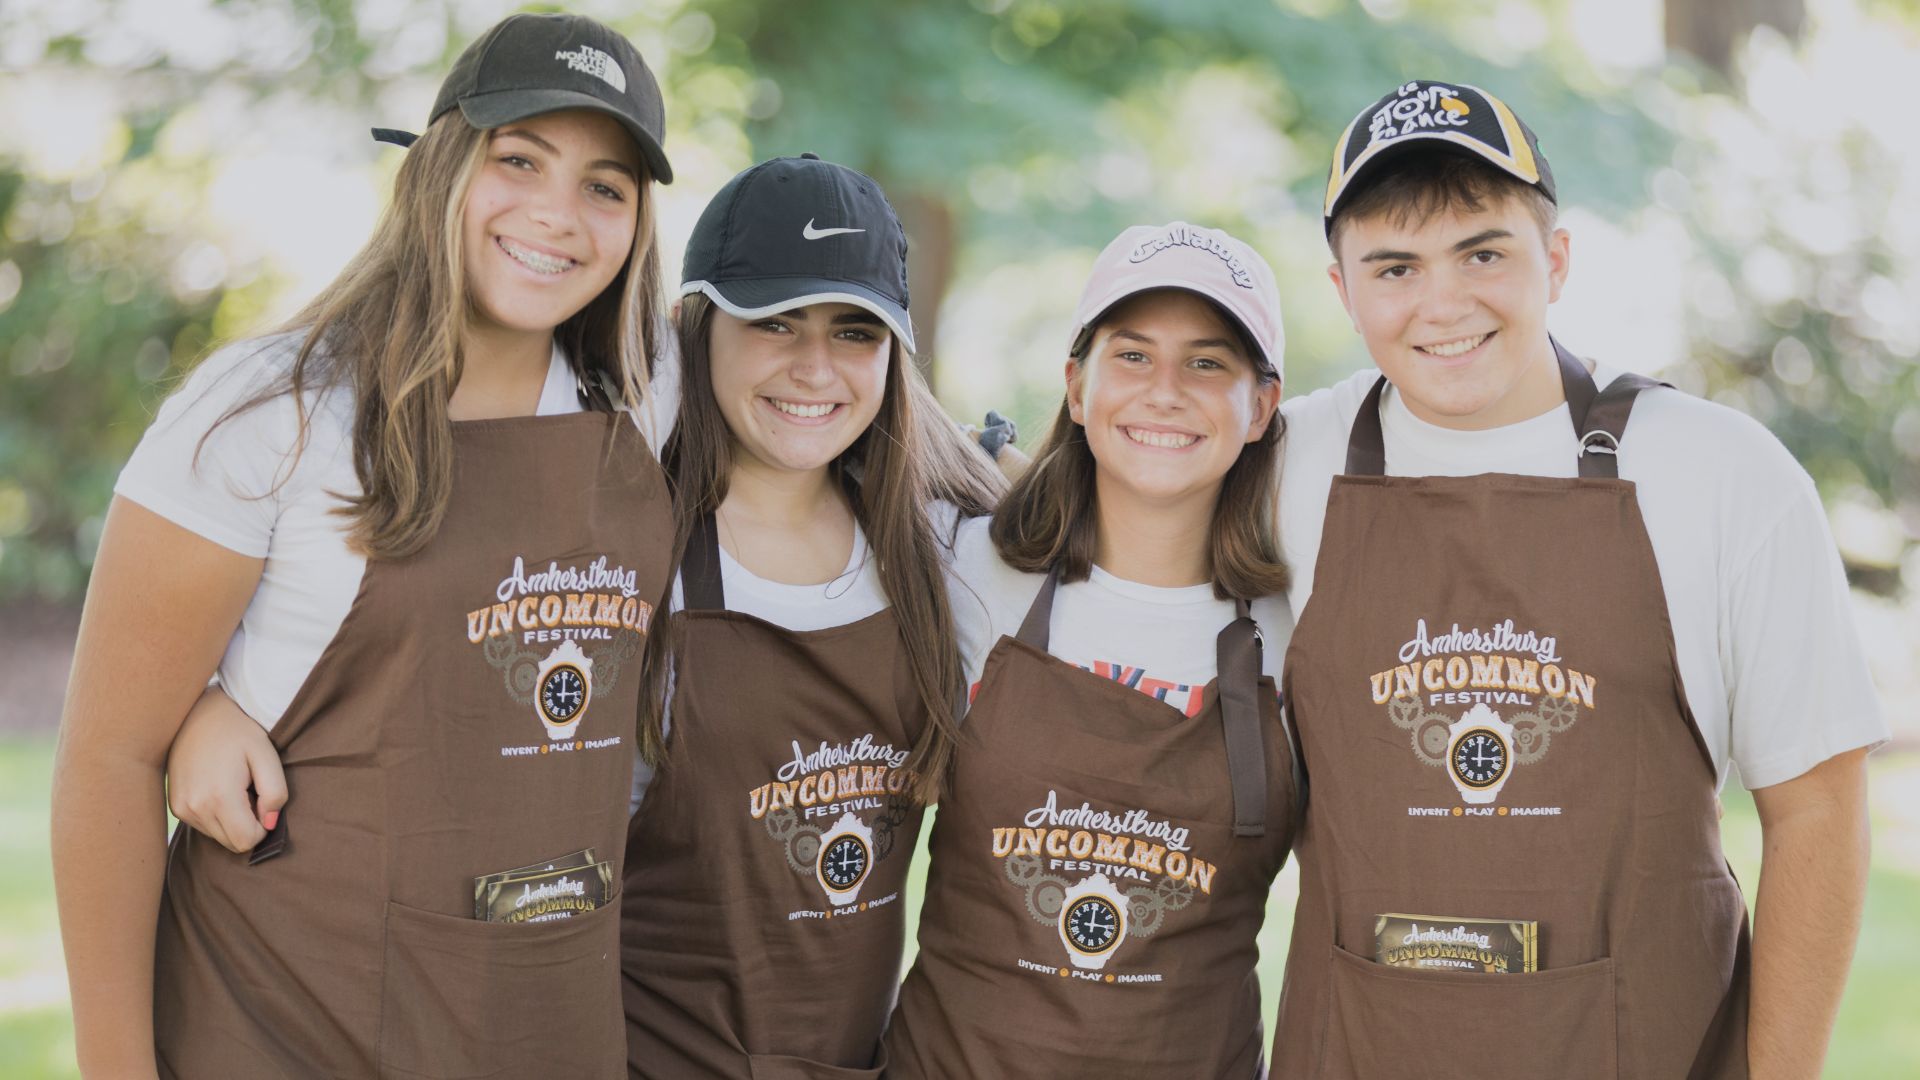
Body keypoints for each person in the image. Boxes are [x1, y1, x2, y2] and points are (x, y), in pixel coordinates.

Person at [50, 13, 679, 1076]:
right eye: (517, 158)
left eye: (604, 187)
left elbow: (849, 414)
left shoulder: (646, 410)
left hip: (545, 1030)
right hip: (285, 1021)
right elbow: (106, 758)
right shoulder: (272, 412)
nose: (556, 215)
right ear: (437, 169)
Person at [1269, 79, 1886, 1079]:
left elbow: (1819, 811)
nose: (1443, 303)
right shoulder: (1278, 466)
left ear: (1554, 259)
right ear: (1342, 288)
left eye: (1483, 252)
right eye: (1394, 265)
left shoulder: (1723, 474)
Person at [884, 222, 1300, 1077]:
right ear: (1078, 387)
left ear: (1260, 407)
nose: (1165, 391)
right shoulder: (965, 568)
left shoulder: (1305, 630)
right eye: (1134, 356)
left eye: (1208, 363)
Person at [618, 153, 1000, 1077]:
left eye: (856, 331)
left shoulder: (943, 547)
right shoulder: (627, 551)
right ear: (691, 328)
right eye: (773, 322)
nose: (815, 368)